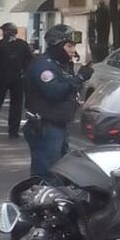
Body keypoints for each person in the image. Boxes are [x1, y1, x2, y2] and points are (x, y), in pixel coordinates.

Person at [23, 24, 93, 179]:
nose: (73, 50)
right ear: (57, 45)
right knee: (47, 173)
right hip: (46, 126)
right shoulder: (43, 65)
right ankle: (39, 194)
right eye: (69, 46)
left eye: (74, 46)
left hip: (58, 124)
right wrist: (79, 78)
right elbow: (54, 92)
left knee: (61, 172)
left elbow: (67, 90)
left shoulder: (61, 65)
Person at [0, 23, 33, 139]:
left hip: (3, 78)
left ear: (7, 32)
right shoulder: (22, 44)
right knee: (16, 105)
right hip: (18, 79)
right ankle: (13, 131)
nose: (3, 33)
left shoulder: (0, 44)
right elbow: (30, 60)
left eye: (4, 31)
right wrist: (26, 73)